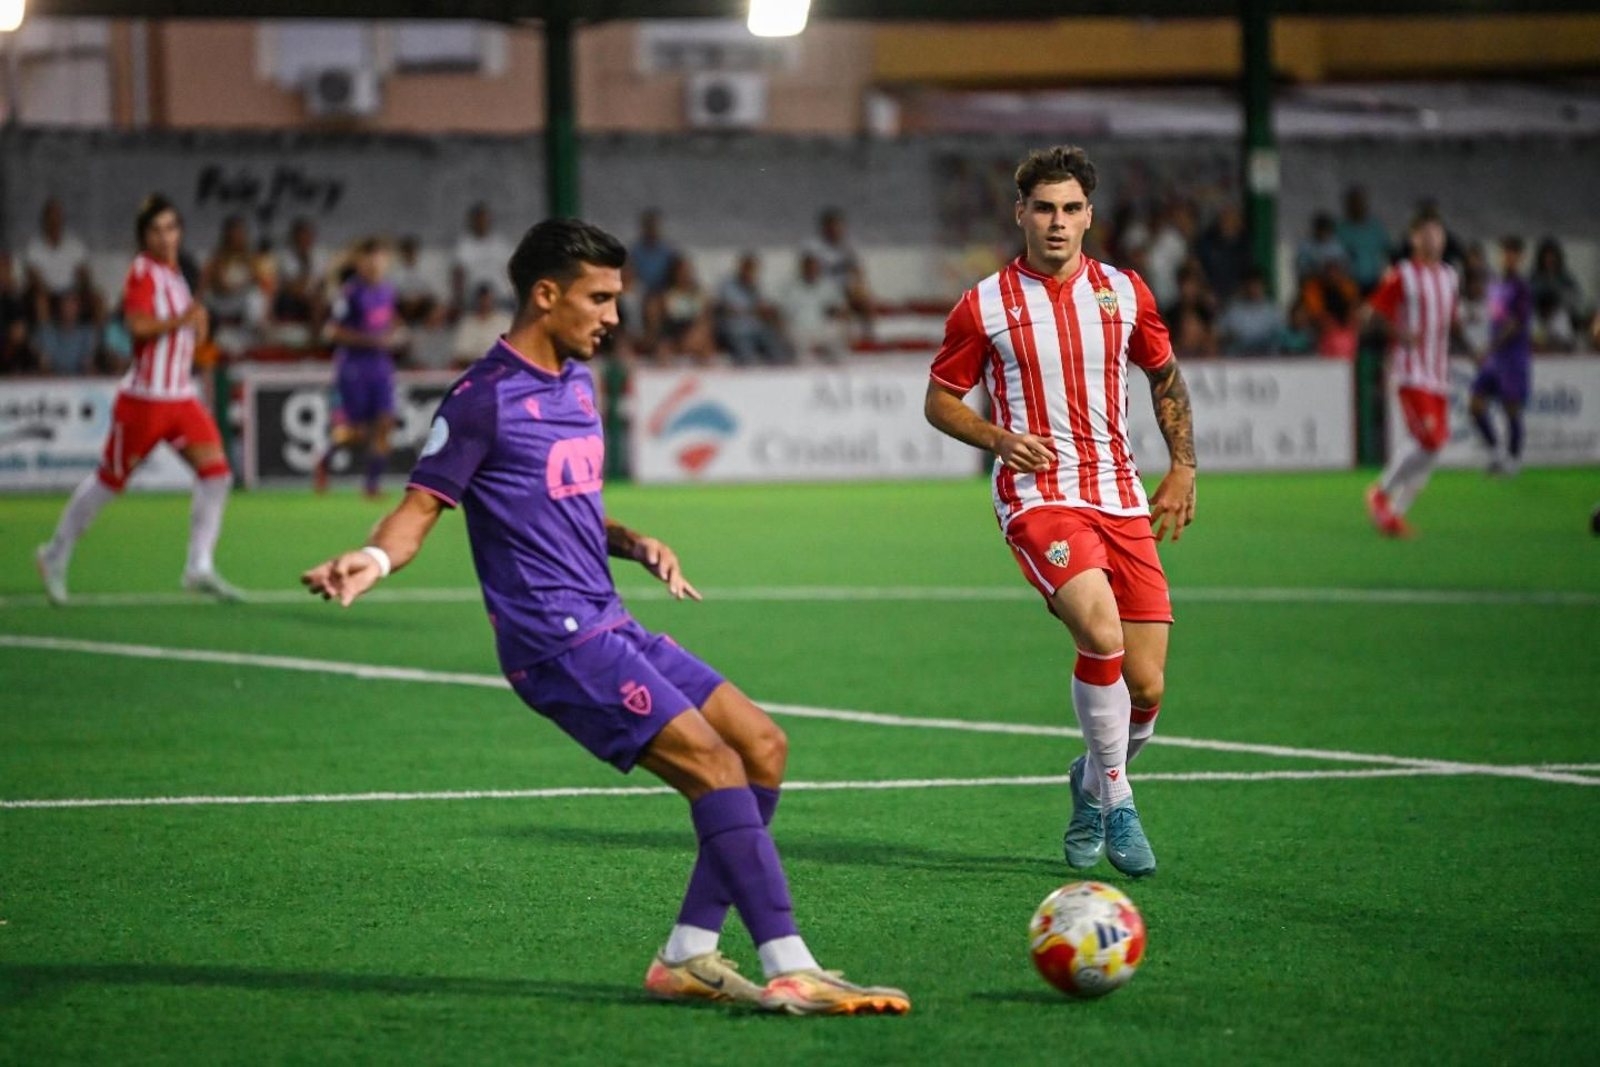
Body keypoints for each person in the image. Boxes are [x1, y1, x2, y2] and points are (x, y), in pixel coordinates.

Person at [300, 219, 910, 1017]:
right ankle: (792, 964)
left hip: (608, 619)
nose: (614, 315)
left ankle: (688, 954)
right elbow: (420, 509)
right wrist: (372, 560)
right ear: (545, 295)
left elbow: (566, 506)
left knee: (761, 744)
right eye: (600, 297)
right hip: (554, 642)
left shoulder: (576, 384)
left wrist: (628, 539)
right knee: (714, 767)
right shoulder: (482, 397)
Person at [923, 145, 1197, 880]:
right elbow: (939, 400)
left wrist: (1184, 465)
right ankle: (1121, 800)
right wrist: (999, 437)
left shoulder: (1124, 291)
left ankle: (1089, 780)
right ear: (1020, 214)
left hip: (1119, 495)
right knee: (1099, 630)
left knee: (1147, 688)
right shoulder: (983, 304)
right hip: (1039, 497)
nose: (1057, 222)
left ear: (1089, 216)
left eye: (1071, 208)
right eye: (1043, 208)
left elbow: (1164, 375)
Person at [36, 194, 242, 605]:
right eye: (156, 230)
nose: (166, 236)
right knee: (108, 483)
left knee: (217, 475)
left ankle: (198, 565)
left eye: (171, 227)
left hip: (180, 398)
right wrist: (183, 320)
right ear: (144, 236)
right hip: (145, 400)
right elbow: (138, 325)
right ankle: (54, 553)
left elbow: (182, 332)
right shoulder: (142, 272)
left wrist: (197, 328)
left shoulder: (176, 273)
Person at [1363, 207, 1459, 538]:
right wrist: (1400, 334)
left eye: (1438, 232)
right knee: (1429, 440)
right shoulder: (1402, 274)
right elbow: (1372, 314)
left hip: (1440, 375)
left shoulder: (1450, 276)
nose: (1434, 238)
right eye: (1427, 233)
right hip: (1411, 373)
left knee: (1435, 446)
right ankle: (1380, 492)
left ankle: (1394, 513)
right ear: (1414, 239)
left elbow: (1449, 323)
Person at [314, 238, 403, 498]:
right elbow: (331, 331)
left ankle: (371, 486)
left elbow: (390, 318)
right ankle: (325, 460)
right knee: (358, 432)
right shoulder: (351, 293)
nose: (376, 264)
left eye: (380, 258)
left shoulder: (387, 291)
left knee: (386, 422)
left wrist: (397, 331)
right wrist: (370, 340)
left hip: (381, 365)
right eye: (370, 259)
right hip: (354, 366)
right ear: (361, 263)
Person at [1468, 236, 1533, 477]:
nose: (1509, 258)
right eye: (1506, 252)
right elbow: (1495, 318)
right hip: (1495, 358)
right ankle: (1496, 451)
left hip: (1513, 357)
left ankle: (1514, 460)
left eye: (1514, 253)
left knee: (1511, 409)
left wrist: (1489, 347)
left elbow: (1515, 324)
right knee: (1475, 405)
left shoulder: (1522, 288)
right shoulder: (1495, 285)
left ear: (1521, 258)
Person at [23, 198, 100, 327]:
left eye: (57, 217)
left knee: (98, 299)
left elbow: (83, 273)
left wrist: (81, 287)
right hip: (48, 294)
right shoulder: (34, 247)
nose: (55, 221)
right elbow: (34, 277)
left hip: (72, 292)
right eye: (51, 217)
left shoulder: (74, 245)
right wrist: (52, 295)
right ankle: (47, 339)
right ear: (45, 220)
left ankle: (96, 341)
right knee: (41, 300)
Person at [452, 202, 515, 313]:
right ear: (473, 221)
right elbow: (458, 275)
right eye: (479, 220)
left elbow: (510, 269)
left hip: (500, 298)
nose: (482, 223)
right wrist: (458, 300)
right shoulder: (464, 245)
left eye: (485, 220)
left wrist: (513, 293)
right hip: (474, 301)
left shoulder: (500, 243)